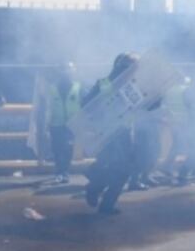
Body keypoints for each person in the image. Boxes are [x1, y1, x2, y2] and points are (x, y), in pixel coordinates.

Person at [83, 53, 137, 215]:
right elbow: (87, 105)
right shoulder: (104, 83)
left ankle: (100, 195)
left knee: (122, 169)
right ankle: (96, 189)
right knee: (118, 168)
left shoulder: (131, 85)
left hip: (124, 131)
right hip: (108, 132)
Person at [46, 63, 81, 184]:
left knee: (68, 148)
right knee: (57, 149)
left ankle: (64, 172)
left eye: (69, 70)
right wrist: (46, 123)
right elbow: (47, 107)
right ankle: (60, 172)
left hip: (72, 124)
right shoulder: (52, 88)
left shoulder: (79, 87)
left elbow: (85, 103)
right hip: (56, 124)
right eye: (64, 70)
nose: (66, 73)